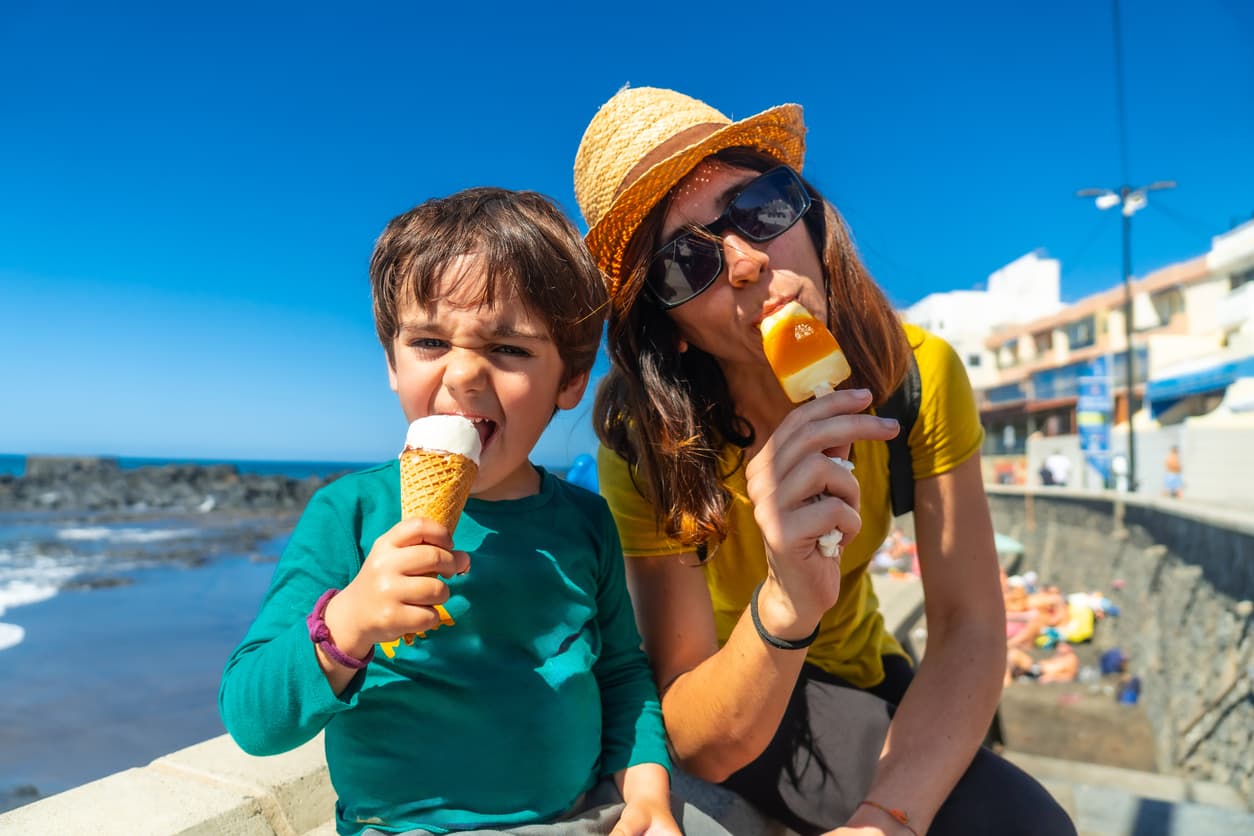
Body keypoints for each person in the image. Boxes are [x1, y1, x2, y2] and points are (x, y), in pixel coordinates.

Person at [572, 86, 1075, 836]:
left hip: (864, 673)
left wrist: (889, 817)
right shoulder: (647, 442)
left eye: (760, 208)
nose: (744, 262)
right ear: (668, 326)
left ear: (807, 215)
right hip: (739, 683)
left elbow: (969, 621)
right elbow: (693, 729)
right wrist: (784, 597)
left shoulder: (914, 374)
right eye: (684, 264)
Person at [219, 188, 718, 836]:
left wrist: (648, 793)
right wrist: (346, 623)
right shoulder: (351, 514)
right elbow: (252, 718)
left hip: (579, 814)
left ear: (569, 380)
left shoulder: (584, 522)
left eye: (508, 349)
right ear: (392, 363)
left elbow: (621, 672)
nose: (463, 375)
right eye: (429, 341)